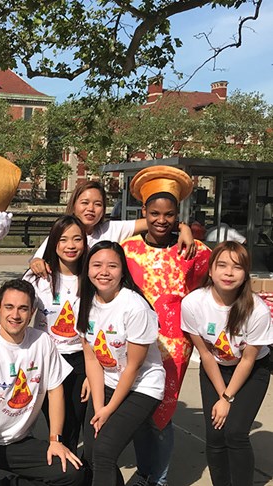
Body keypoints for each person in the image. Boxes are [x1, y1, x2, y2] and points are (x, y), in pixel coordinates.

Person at [121, 166, 211, 486]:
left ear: (178, 215)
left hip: (174, 347)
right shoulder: (127, 251)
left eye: (170, 214)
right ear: (144, 212)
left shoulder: (195, 252)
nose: (162, 220)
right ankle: (146, 474)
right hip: (134, 344)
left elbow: (222, 282)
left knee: (161, 417)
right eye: (155, 213)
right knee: (140, 413)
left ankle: (157, 479)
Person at [0, 279, 84, 486]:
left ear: (32, 312)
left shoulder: (42, 341)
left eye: (23, 308)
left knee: (74, 474)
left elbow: (55, 391)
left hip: (18, 441)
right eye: (9, 307)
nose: (15, 315)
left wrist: (55, 440)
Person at [0, 215, 90, 454]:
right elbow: (16, 305)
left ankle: (72, 469)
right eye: (63, 240)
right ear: (53, 243)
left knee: (75, 423)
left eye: (77, 239)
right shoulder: (39, 277)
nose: (70, 246)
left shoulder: (91, 277)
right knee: (48, 419)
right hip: (43, 357)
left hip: (80, 359)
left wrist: (93, 372)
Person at [181, 241, 273, 486]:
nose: (228, 273)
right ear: (210, 270)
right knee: (215, 435)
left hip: (252, 370)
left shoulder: (258, 310)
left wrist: (227, 398)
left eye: (237, 267)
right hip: (215, 368)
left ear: (246, 274)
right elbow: (206, 354)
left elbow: (248, 359)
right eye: (221, 265)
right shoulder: (192, 303)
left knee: (235, 433)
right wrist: (221, 394)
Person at [77, 241, 165, 486]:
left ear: (123, 271)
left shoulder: (135, 307)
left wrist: (108, 409)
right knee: (92, 453)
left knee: (104, 451)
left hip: (141, 386)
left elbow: (133, 367)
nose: (104, 271)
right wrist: (98, 406)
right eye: (97, 265)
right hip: (108, 382)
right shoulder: (84, 303)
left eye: (112, 266)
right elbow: (92, 358)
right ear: (87, 269)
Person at [29, 180, 196, 278]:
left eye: (98, 204)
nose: (91, 209)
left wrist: (183, 228)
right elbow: (37, 260)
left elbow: (155, 221)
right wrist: (36, 262)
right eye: (85, 203)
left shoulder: (111, 229)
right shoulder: (62, 232)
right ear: (74, 205)